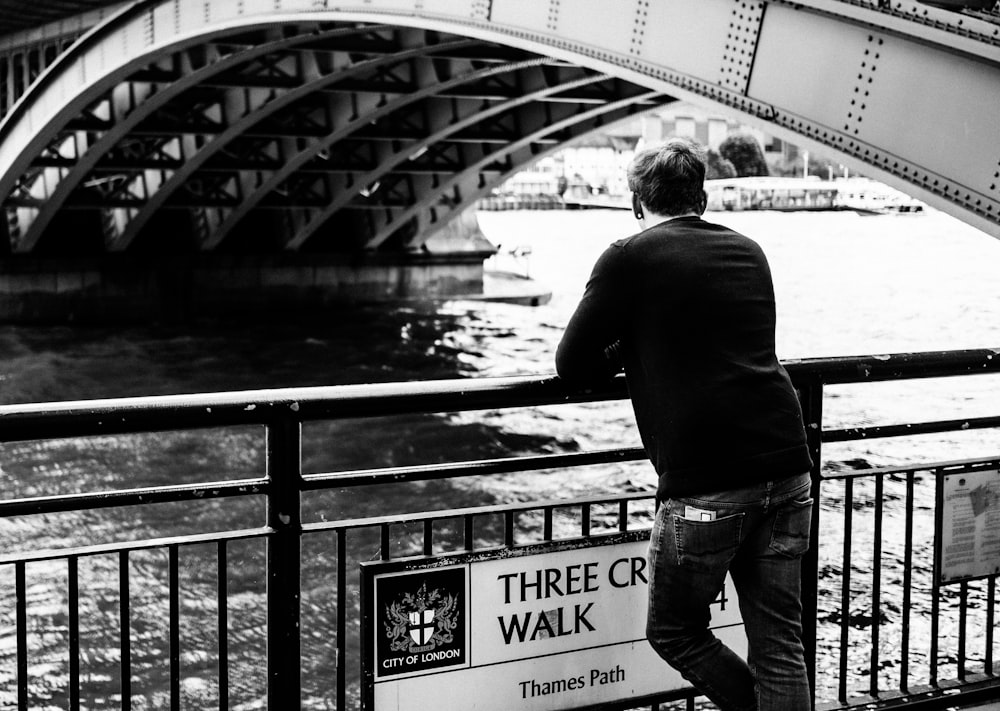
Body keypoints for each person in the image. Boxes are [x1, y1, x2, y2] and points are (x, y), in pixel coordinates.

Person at [555, 138, 814, 710]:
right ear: (701, 196)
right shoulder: (748, 250)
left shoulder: (628, 256)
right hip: (787, 461)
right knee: (779, 642)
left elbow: (571, 365)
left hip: (706, 478)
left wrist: (628, 344)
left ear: (636, 203)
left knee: (675, 631)